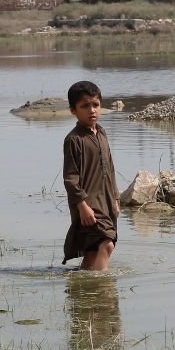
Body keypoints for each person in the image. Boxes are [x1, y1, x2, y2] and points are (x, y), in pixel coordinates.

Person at [62, 81, 119, 271]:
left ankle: (83, 287)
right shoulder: (74, 139)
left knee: (93, 250)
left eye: (95, 104)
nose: (92, 110)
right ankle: (101, 287)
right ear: (73, 110)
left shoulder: (101, 133)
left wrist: (116, 199)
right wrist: (82, 206)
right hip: (88, 205)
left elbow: (110, 169)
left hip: (106, 201)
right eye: (85, 106)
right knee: (107, 243)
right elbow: (70, 178)